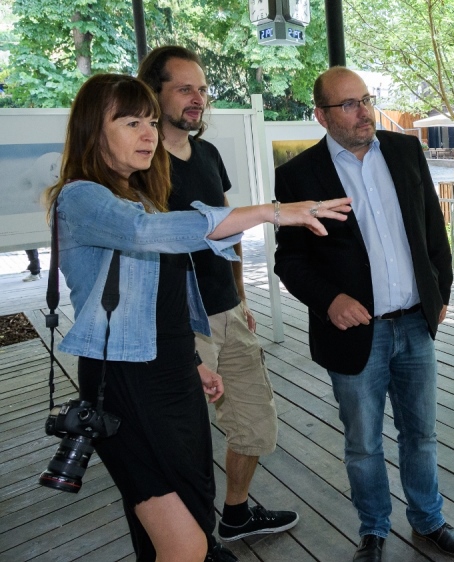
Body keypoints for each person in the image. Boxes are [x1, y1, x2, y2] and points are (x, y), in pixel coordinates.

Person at [45, 73, 350, 562]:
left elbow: (160, 302)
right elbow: (149, 235)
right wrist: (273, 212)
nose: (148, 134)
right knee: (185, 543)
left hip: (169, 373)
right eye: (130, 122)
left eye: (149, 121)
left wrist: (191, 361)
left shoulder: (137, 196)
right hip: (126, 381)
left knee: (184, 524)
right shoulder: (81, 197)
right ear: (91, 132)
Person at [273, 67, 454, 562]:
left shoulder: (404, 152)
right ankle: (374, 530)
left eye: (366, 99)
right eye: (349, 104)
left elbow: (433, 228)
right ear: (321, 115)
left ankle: (428, 521)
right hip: (355, 333)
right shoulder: (299, 176)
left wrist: (439, 292)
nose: (364, 112)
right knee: (363, 444)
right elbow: (290, 260)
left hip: (415, 323)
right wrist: (329, 300)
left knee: (421, 434)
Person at [138, 45, 299, 545]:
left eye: (202, 89)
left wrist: (242, 299)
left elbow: (228, 233)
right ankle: (190, 543)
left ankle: (234, 514)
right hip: (176, 323)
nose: (198, 99)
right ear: (153, 91)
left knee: (254, 421)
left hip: (227, 311)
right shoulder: (140, 162)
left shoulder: (207, 153)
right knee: (181, 439)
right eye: (185, 88)